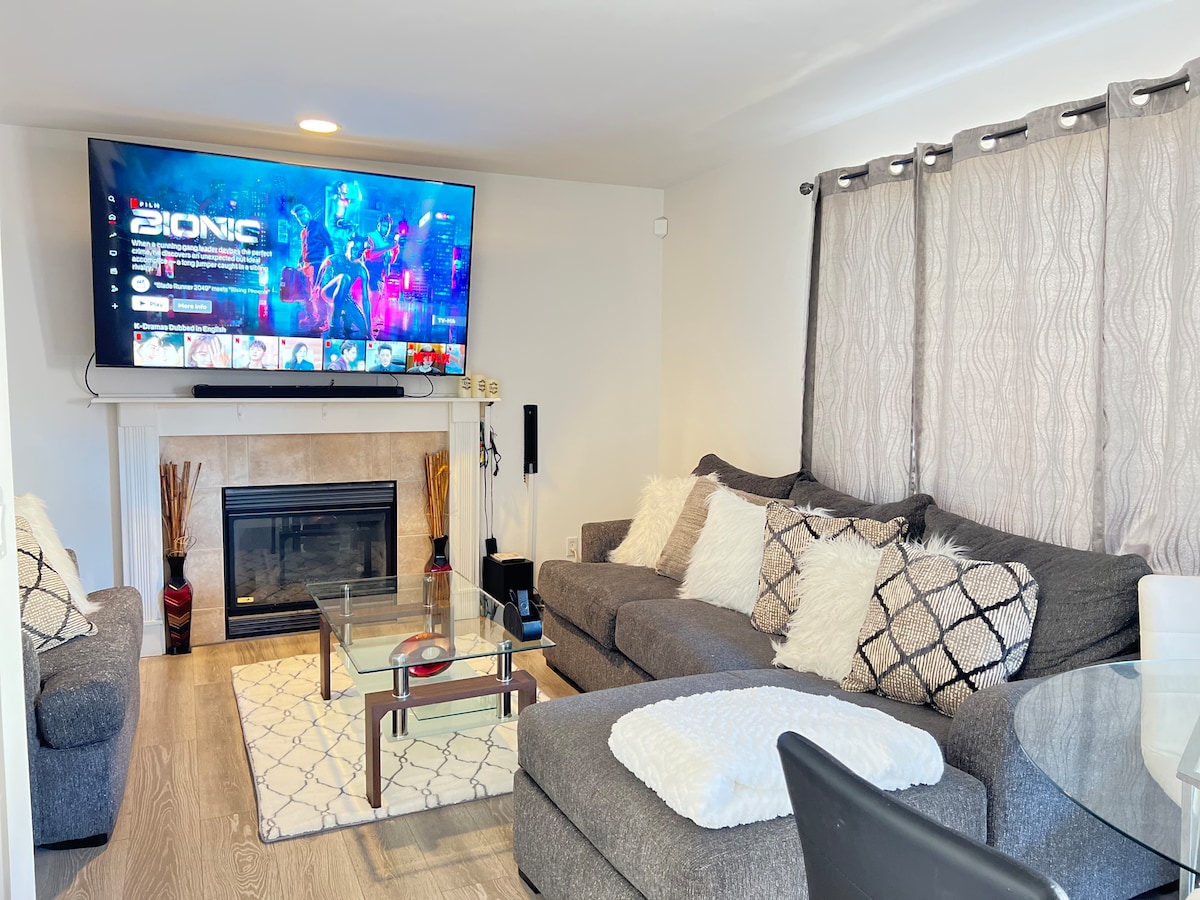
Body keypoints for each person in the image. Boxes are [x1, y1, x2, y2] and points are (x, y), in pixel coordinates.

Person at [316, 239, 372, 340]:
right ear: (347, 248)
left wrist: (369, 331)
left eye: (360, 251)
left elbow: (365, 300)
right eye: (354, 249)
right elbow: (323, 267)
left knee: (363, 329)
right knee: (344, 277)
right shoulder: (335, 258)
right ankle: (334, 327)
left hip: (345, 298)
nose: (357, 253)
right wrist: (316, 286)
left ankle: (346, 318)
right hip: (328, 291)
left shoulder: (361, 269)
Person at [290, 204, 334, 330]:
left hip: (316, 263)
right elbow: (305, 247)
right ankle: (311, 316)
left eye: (301, 215)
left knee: (316, 291)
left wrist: (331, 261)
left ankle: (322, 319)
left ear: (307, 214)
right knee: (306, 292)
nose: (300, 219)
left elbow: (329, 243)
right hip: (306, 265)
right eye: (297, 217)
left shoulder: (317, 226)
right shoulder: (303, 232)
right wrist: (300, 258)